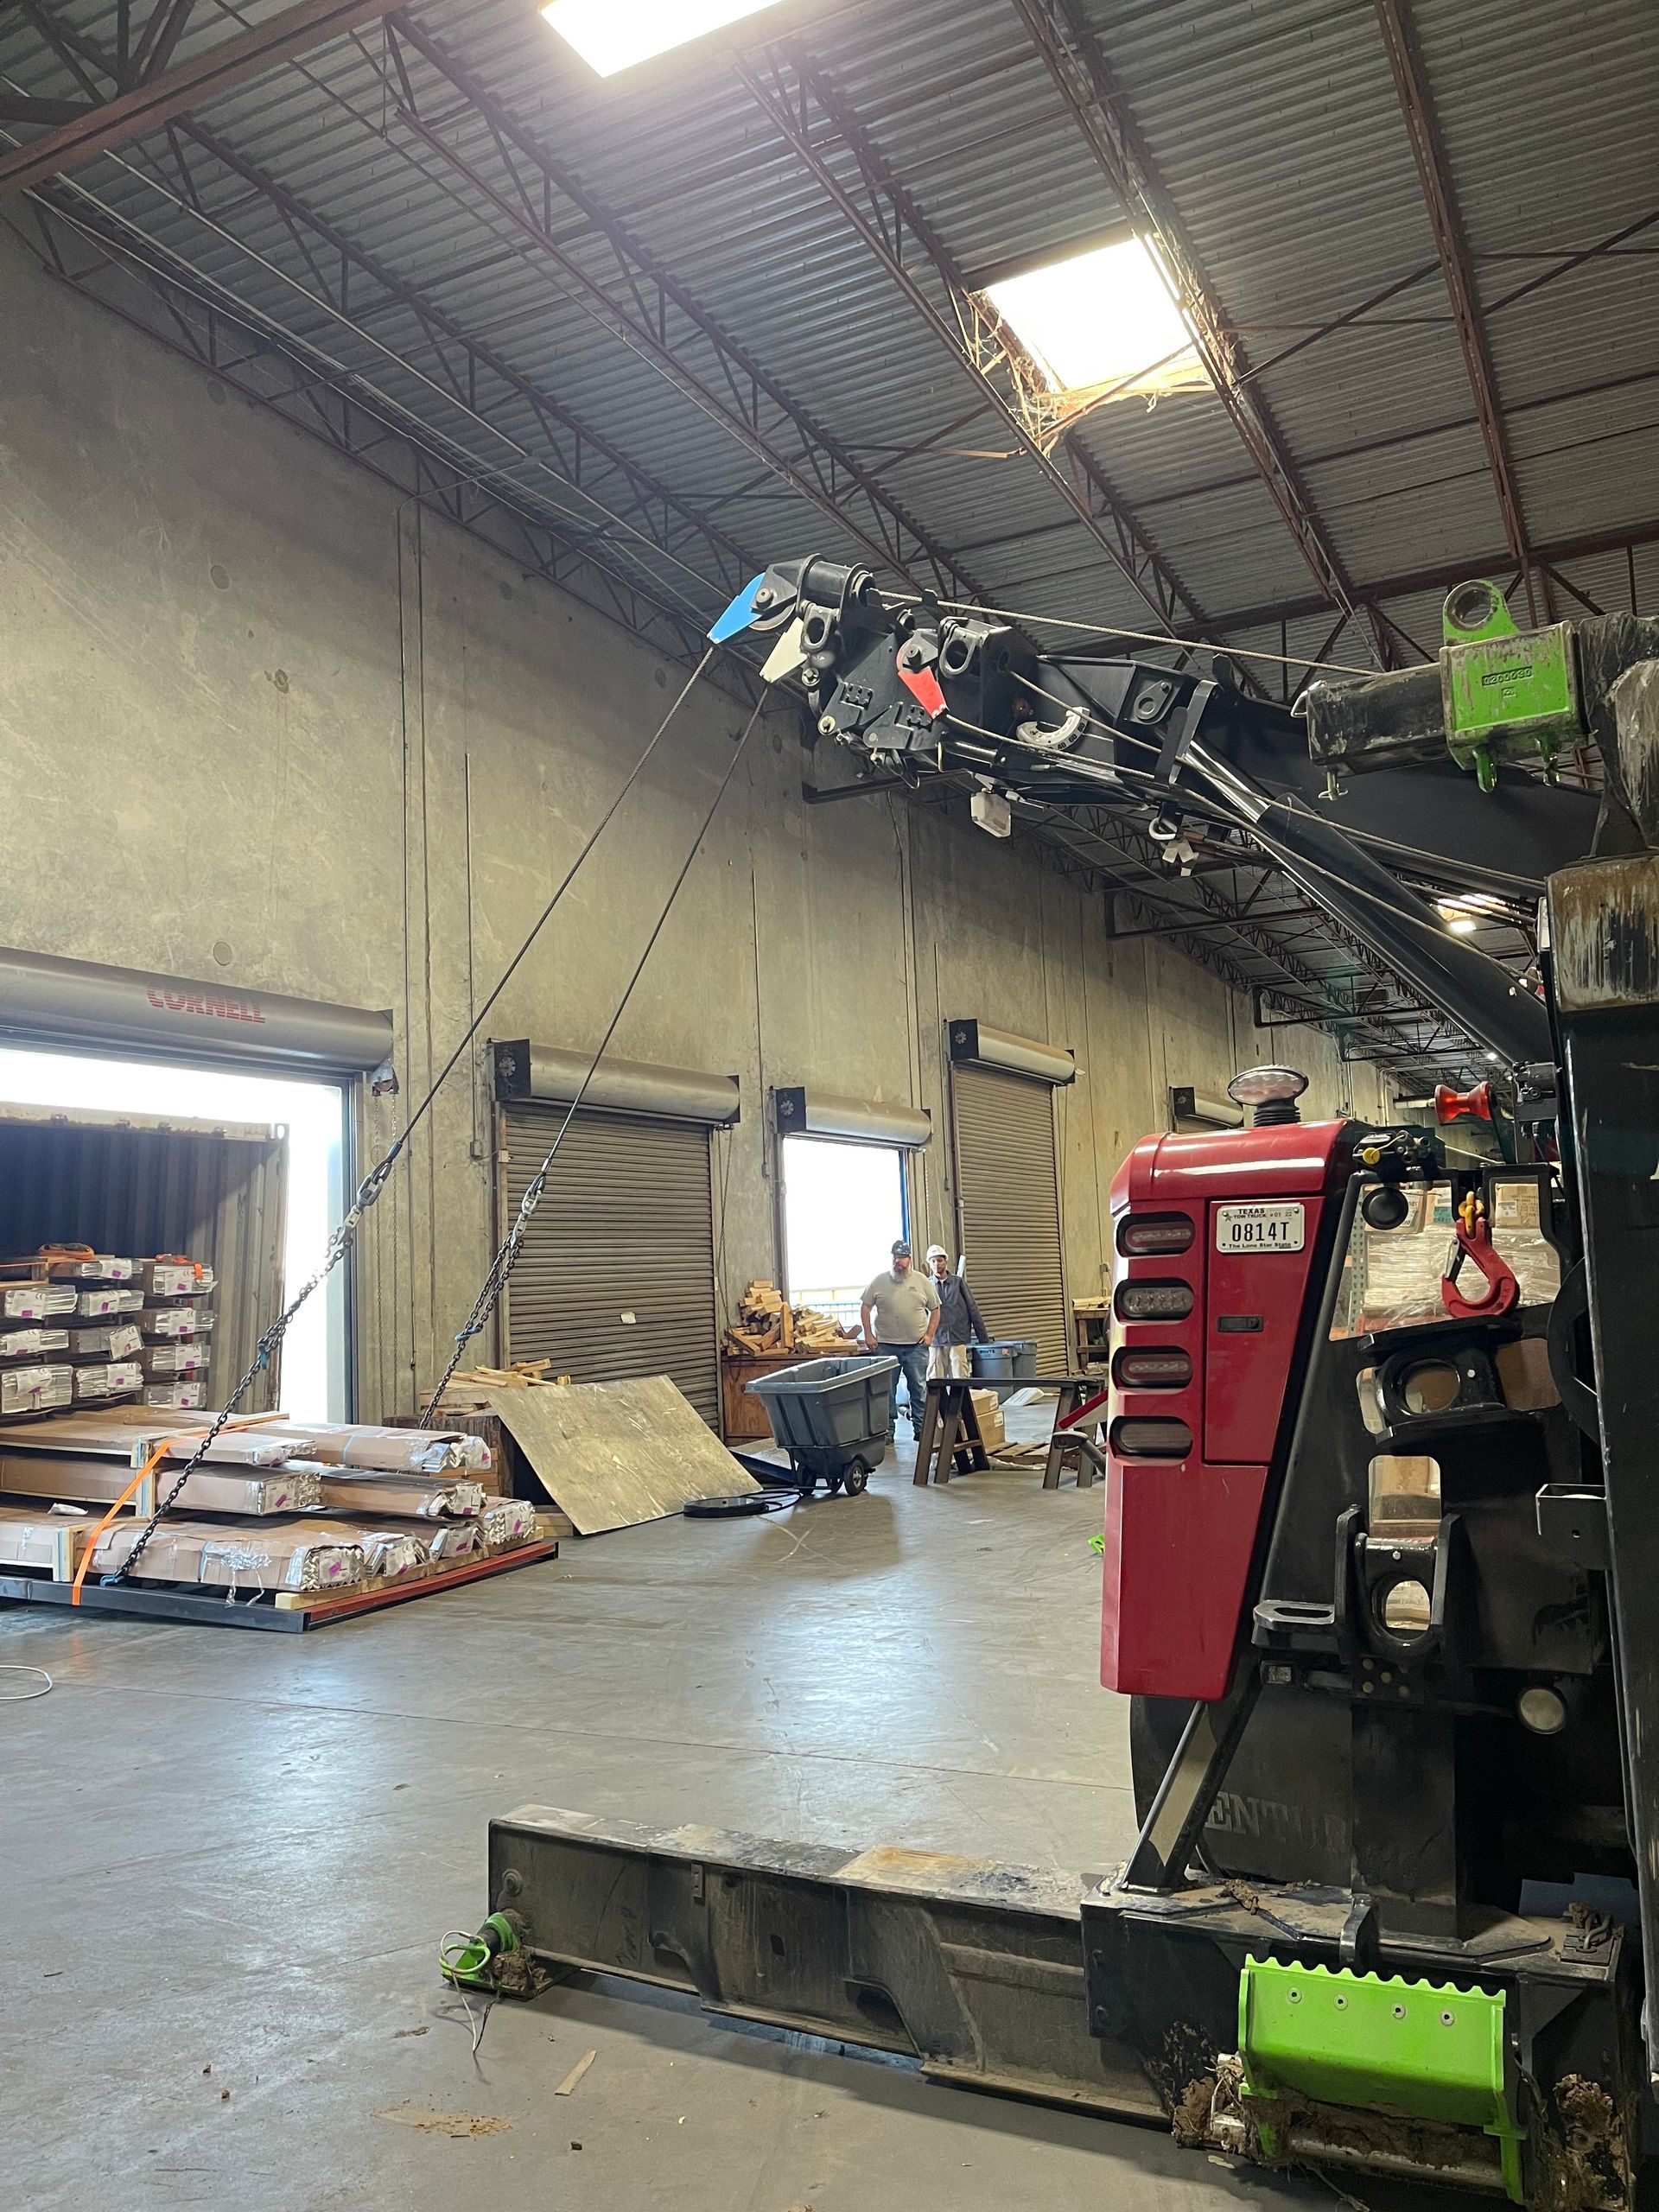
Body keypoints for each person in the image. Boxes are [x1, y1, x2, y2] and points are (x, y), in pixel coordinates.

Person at [861, 1238, 938, 1440]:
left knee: (919, 1388)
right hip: (886, 1346)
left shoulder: (922, 1281)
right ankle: (887, 1431)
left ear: (909, 1259)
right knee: (886, 1391)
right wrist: (868, 1334)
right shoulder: (879, 1281)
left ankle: (921, 1429)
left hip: (916, 1347)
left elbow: (936, 1309)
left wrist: (930, 1335)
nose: (898, 1262)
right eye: (895, 1257)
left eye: (902, 1258)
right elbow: (865, 1306)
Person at [924, 1244, 988, 1379]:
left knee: (960, 1376)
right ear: (929, 1264)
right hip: (936, 1340)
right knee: (935, 1379)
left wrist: (983, 1337)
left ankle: (961, 1401)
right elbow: (921, 1313)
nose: (936, 1264)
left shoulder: (958, 1283)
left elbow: (972, 1308)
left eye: (939, 1260)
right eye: (933, 1261)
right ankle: (939, 1402)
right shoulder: (927, 1285)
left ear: (946, 1261)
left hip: (957, 1338)